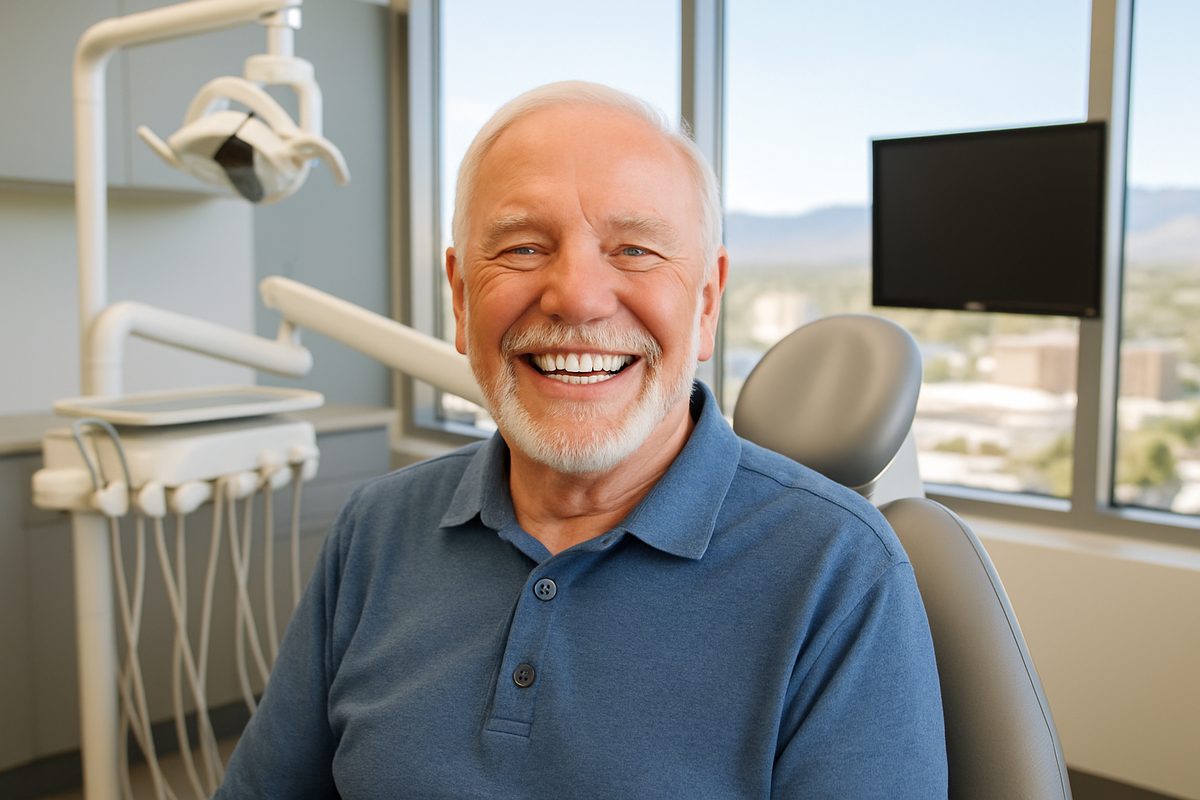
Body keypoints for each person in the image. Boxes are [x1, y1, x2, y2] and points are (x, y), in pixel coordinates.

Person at [216, 81, 947, 798]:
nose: (576, 297)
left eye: (634, 250)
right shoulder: (373, 531)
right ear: (462, 298)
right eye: (525, 248)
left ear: (705, 304)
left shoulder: (840, 573)